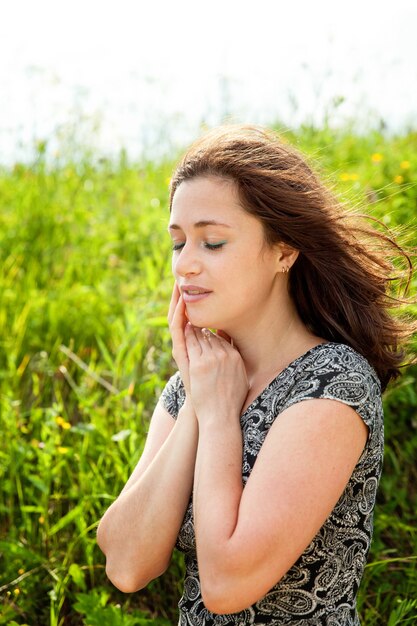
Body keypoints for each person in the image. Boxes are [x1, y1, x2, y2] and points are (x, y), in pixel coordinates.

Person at [97, 125, 414, 625]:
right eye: (179, 244)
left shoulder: (333, 385)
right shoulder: (196, 381)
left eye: (213, 242)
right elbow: (127, 564)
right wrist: (199, 405)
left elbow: (227, 585)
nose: (186, 266)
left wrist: (220, 416)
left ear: (284, 251)